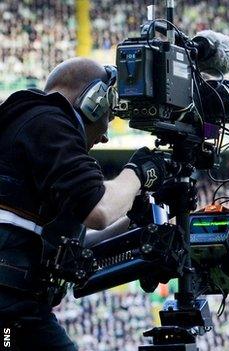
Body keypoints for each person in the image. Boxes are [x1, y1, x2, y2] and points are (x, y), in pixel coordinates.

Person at [0, 57, 167, 350]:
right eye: (106, 120)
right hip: (9, 313)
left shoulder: (33, 130)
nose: (103, 137)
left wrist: (132, 219)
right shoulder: (47, 120)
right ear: (94, 101)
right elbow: (99, 210)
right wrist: (140, 171)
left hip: (17, 310)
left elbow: (78, 242)